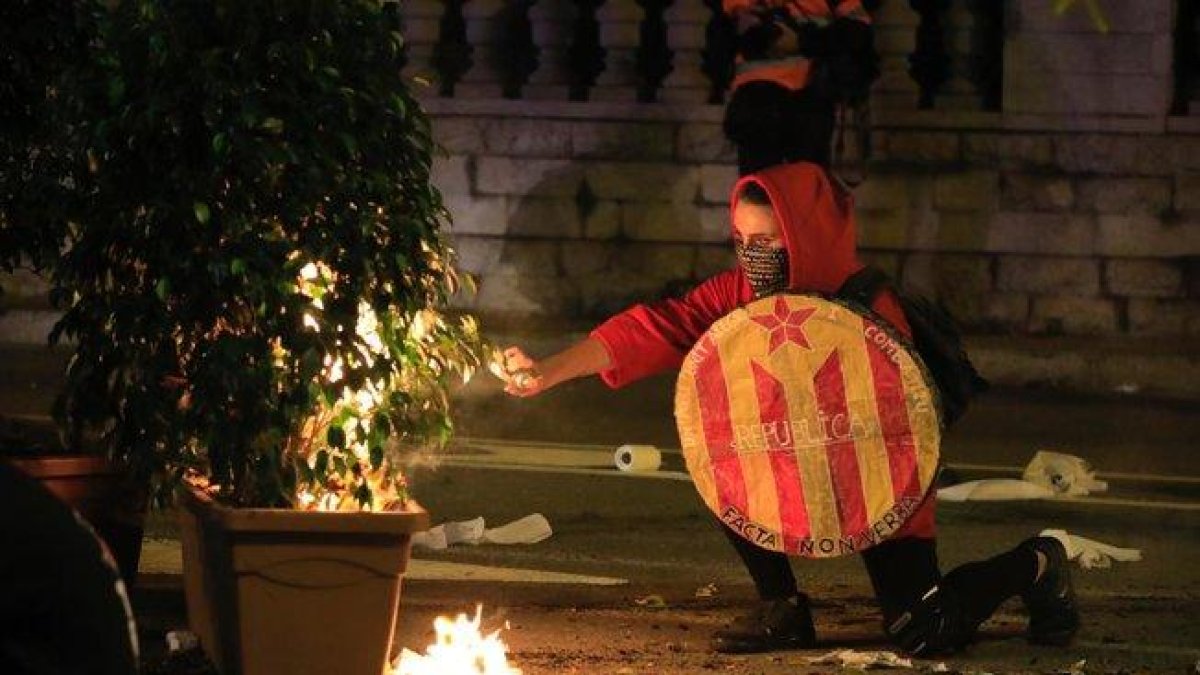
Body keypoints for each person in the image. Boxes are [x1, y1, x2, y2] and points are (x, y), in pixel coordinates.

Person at [499, 161, 1079, 656]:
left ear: (803, 236)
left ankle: (1038, 564)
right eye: (741, 241)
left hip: (877, 481)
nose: (752, 255)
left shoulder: (866, 307)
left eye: (767, 242)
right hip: (783, 464)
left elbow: (900, 422)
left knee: (922, 631)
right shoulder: (740, 296)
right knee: (727, 452)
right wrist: (550, 369)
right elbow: (657, 327)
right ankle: (781, 606)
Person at [721, 0, 879, 176]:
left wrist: (802, 41)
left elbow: (858, 32)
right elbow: (729, 30)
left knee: (797, 188)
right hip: (762, 100)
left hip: (808, 94)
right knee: (767, 191)